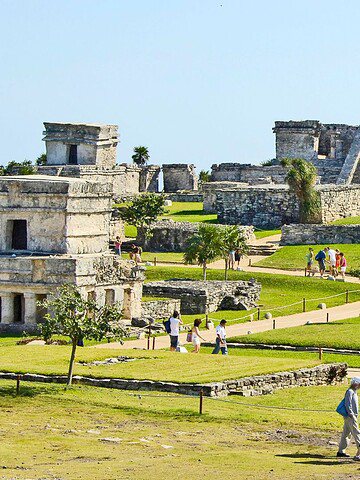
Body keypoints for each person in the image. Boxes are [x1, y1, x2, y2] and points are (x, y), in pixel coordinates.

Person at [337, 377, 360, 460]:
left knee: (346, 434)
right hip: (350, 416)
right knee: (357, 433)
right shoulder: (350, 391)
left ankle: (341, 451)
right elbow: (348, 404)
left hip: (351, 416)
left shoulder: (354, 391)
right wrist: (351, 415)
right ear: (356, 384)